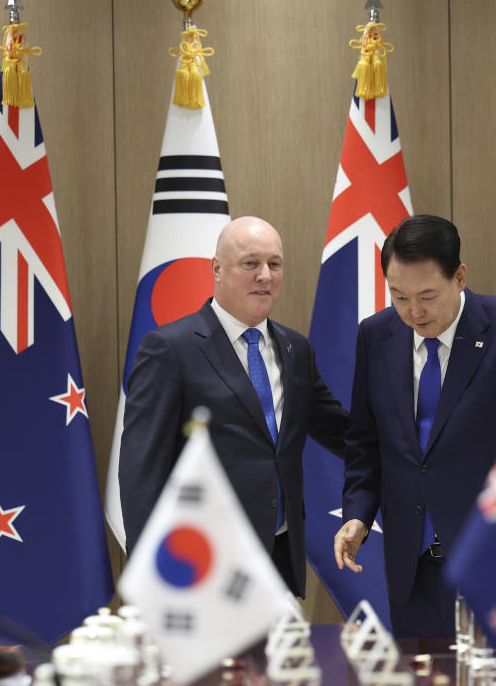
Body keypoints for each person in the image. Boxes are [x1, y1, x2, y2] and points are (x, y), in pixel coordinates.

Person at [334, 214, 496, 638]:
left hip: (492, 552)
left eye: (427, 296)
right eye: (398, 296)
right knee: (422, 683)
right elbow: (365, 441)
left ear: (459, 276)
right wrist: (359, 514)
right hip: (412, 558)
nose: (413, 311)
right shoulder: (376, 334)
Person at [120, 216, 349, 597]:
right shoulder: (170, 348)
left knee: (274, 658)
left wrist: (416, 446)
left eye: (274, 264)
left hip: (279, 553)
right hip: (203, 560)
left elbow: (341, 431)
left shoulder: (296, 349)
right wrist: (153, 579)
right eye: (250, 263)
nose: (265, 275)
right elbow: (142, 470)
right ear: (217, 269)